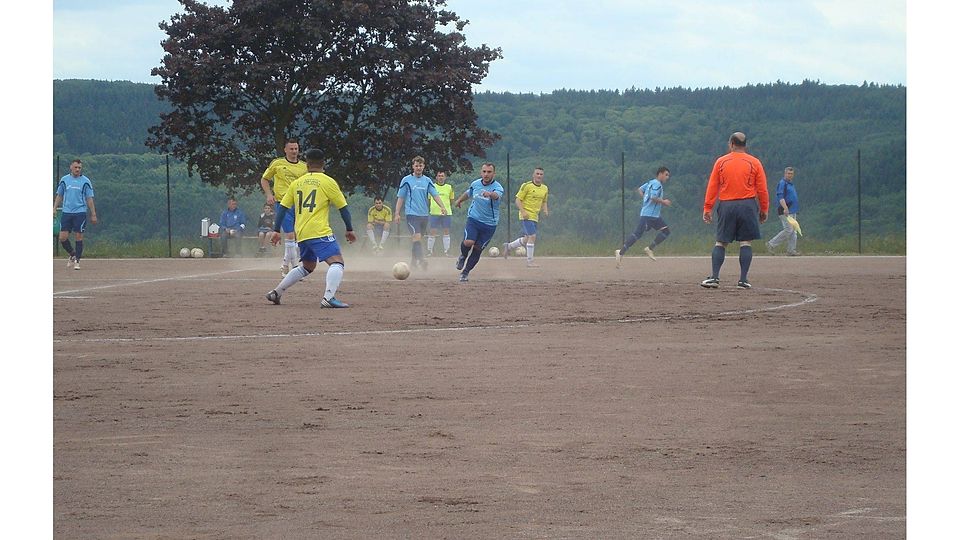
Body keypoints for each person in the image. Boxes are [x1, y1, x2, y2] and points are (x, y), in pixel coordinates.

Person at [265, 148, 356, 308]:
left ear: (307, 164)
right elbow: (343, 208)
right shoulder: (328, 181)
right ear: (323, 163)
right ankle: (329, 298)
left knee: (308, 266)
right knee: (337, 262)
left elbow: (283, 208)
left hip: (301, 232)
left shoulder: (296, 183)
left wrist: (276, 230)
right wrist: (349, 229)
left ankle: (276, 293)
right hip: (319, 231)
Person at [700, 132, 769, 289]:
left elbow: (712, 186)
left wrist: (708, 208)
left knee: (721, 242)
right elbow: (762, 189)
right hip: (748, 205)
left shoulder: (721, 162)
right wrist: (764, 209)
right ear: (745, 145)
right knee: (745, 243)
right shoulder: (755, 162)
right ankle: (743, 280)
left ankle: (715, 278)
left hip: (727, 205)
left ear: (731, 144)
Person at [261, 139, 308, 275]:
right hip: (283, 203)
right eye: (291, 149)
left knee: (298, 235)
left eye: (296, 149)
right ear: (285, 150)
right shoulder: (277, 164)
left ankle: (285, 264)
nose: (294, 151)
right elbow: (265, 179)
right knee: (290, 234)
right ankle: (295, 269)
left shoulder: (304, 167)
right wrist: (269, 194)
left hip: (300, 204)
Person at [393, 156, 448, 270]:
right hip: (411, 214)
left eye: (420, 166)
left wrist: (442, 206)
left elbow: (435, 195)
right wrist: (397, 213)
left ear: (424, 166)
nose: (418, 168)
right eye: (416, 165)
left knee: (417, 240)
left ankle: (413, 263)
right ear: (413, 166)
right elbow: (401, 197)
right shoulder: (406, 180)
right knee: (416, 237)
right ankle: (422, 260)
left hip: (424, 215)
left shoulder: (427, 181)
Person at [453, 162, 503, 282]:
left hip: (490, 224)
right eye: (484, 171)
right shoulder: (475, 184)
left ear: (494, 174)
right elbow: (468, 193)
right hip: (474, 219)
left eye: (489, 172)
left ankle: (465, 273)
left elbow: (497, 196)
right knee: (469, 242)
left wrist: (490, 194)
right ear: (481, 172)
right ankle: (463, 256)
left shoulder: (498, 187)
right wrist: (459, 200)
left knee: (478, 248)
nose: (486, 174)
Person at [615, 166, 672, 266]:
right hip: (648, 215)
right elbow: (653, 197)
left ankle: (649, 249)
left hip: (654, 216)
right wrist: (664, 202)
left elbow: (640, 189)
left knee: (666, 231)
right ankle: (620, 252)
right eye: (666, 175)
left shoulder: (650, 182)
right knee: (637, 234)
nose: (667, 177)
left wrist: (645, 199)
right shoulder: (657, 184)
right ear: (661, 174)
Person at [53, 159, 97, 270]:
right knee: (62, 237)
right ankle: (72, 254)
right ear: (71, 167)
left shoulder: (85, 181)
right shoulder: (65, 180)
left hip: (80, 212)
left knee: (78, 236)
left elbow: (89, 198)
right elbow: (59, 195)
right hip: (66, 212)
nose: (77, 169)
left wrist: (93, 214)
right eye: (76, 167)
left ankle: (77, 260)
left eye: (79, 167)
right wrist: (54, 208)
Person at [503, 167, 550, 267]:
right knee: (532, 236)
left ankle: (509, 246)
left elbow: (544, 201)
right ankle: (530, 262)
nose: (539, 176)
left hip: (535, 216)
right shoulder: (526, 186)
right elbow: (518, 200)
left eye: (541, 174)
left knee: (526, 239)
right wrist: (523, 211)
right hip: (526, 215)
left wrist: (545, 209)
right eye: (537, 174)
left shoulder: (545, 188)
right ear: (533, 175)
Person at [766, 166, 800, 256]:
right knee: (788, 229)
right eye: (788, 173)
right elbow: (780, 197)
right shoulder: (782, 184)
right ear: (785, 174)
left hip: (793, 210)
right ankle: (771, 244)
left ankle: (791, 250)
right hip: (785, 210)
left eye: (791, 174)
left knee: (793, 230)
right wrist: (785, 208)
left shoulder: (790, 184)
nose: (790, 175)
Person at [427, 170, 456, 257]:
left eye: (442, 176)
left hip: (446, 213)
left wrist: (445, 208)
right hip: (434, 213)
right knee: (432, 231)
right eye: (439, 176)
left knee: (446, 231)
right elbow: (429, 200)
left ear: (445, 177)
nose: (440, 177)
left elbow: (451, 200)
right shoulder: (432, 187)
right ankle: (430, 252)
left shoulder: (449, 187)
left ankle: (446, 252)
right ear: (436, 177)